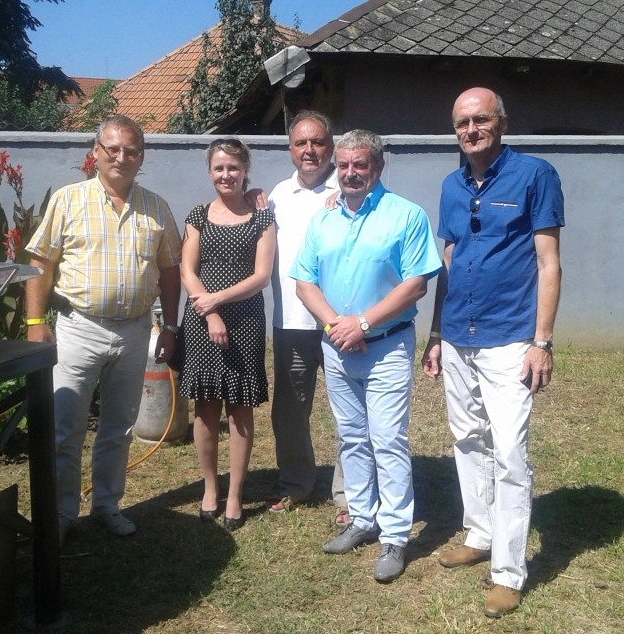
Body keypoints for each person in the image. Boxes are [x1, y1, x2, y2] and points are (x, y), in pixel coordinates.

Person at [422, 87, 564, 618]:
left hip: (510, 337)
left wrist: (541, 342)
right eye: (462, 123)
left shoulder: (535, 175)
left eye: (480, 120)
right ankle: (479, 533)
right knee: (467, 438)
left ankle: (508, 572)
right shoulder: (451, 185)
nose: (470, 130)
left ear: (502, 122)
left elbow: (548, 263)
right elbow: (450, 260)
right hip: (459, 335)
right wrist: (437, 333)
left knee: (508, 452)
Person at [24, 114, 182, 546]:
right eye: (112, 148)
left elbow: (170, 270)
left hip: (135, 332)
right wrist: (35, 323)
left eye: (131, 150)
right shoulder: (68, 200)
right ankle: (61, 512)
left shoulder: (156, 207)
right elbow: (40, 262)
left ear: (141, 157)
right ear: (95, 152)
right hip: (79, 329)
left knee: (119, 427)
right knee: (65, 427)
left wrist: (170, 326)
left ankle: (107, 505)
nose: (121, 157)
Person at [292, 129, 442, 583]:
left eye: (360, 165)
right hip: (337, 345)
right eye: (343, 165)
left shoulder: (406, 215)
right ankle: (361, 518)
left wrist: (362, 323)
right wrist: (337, 327)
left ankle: (394, 535)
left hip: (387, 346)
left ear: (377, 166)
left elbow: (415, 284)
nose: (350, 173)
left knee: (388, 439)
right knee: (352, 437)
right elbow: (304, 282)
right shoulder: (323, 218)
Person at [178, 138, 276, 531]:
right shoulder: (198, 215)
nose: (226, 175)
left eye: (233, 167)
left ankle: (235, 493)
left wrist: (217, 299)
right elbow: (188, 271)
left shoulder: (262, 218)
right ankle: (210, 488)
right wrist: (212, 313)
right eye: (219, 168)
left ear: (245, 170)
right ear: (210, 172)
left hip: (246, 320)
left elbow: (262, 276)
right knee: (205, 407)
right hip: (203, 321)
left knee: (239, 406)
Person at [266, 110, 348, 523]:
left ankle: (349, 494)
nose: (310, 150)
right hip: (292, 323)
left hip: (339, 323)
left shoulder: (351, 185)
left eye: (318, 142)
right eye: (301, 143)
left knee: (348, 410)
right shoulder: (278, 195)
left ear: (331, 146)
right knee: (290, 411)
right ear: (290, 149)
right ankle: (296, 482)